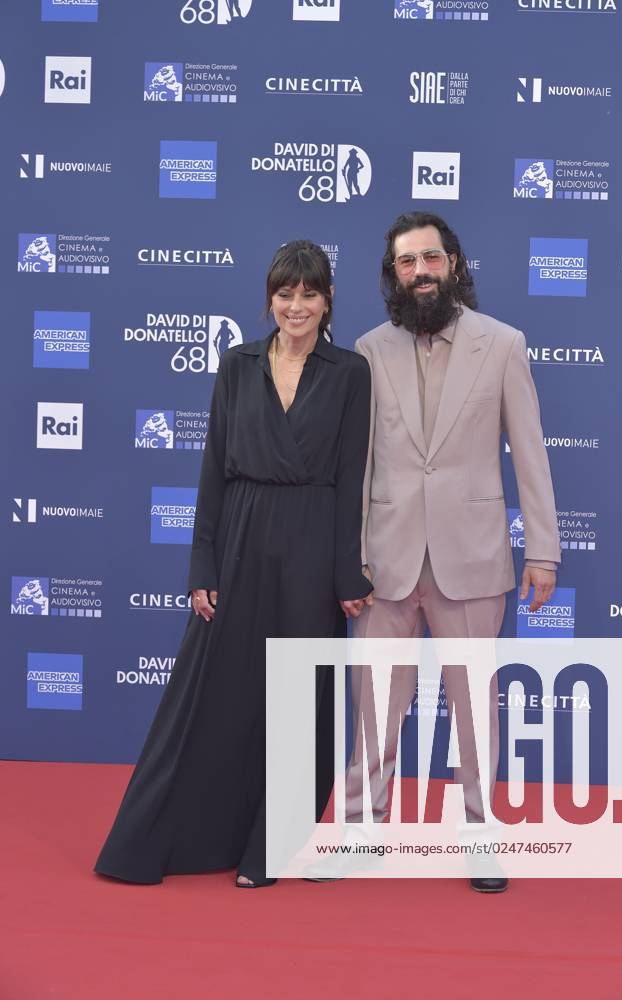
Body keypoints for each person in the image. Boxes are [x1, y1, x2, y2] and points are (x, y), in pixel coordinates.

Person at [94, 241, 373, 888]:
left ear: (328, 300)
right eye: (285, 293)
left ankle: (269, 848)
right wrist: (202, 566)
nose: (296, 306)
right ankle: (175, 839)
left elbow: (352, 474)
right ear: (268, 299)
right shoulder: (237, 364)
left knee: (297, 702)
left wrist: (347, 572)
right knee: (214, 700)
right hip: (241, 536)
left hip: (310, 540)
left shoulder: (350, 371)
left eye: (309, 294)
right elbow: (213, 472)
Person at [345, 212, 561, 893]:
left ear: (455, 264)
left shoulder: (502, 345)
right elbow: (357, 465)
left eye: (430, 258)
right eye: (406, 262)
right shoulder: (368, 349)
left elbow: (530, 452)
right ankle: (361, 831)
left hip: (473, 560)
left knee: (474, 705)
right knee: (375, 703)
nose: (420, 272)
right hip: (386, 559)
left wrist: (544, 551)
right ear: (393, 274)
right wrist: (348, 560)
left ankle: (478, 838)